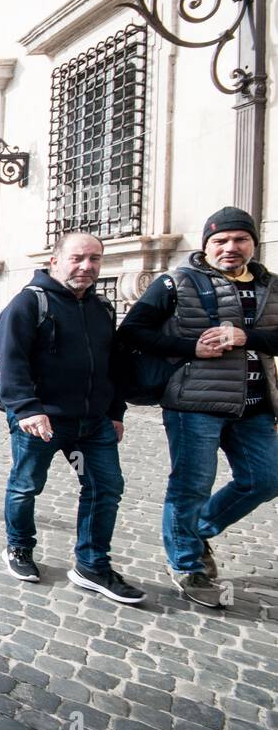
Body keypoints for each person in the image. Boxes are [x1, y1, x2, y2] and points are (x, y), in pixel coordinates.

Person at [117, 206, 278, 608]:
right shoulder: (176, 281)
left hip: (255, 406)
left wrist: (247, 338)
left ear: (253, 244)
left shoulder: (272, 286)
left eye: (240, 239)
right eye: (220, 241)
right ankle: (187, 563)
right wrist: (192, 348)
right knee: (191, 486)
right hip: (194, 404)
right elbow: (133, 331)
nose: (230, 248)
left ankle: (198, 529)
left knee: (266, 479)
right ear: (206, 245)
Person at [0, 233, 144, 604]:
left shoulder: (102, 309)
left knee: (106, 487)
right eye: (77, 258)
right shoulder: (29, 304)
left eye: (94, 259)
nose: (87, 266)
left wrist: (115, 412)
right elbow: (11, 362)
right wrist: (27, 409)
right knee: (26, 486)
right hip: (42, 421)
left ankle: (92, 565)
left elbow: (111, 367)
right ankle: (18, 548)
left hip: (93, 423)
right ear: (55, 261)